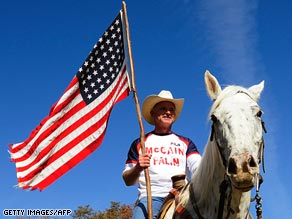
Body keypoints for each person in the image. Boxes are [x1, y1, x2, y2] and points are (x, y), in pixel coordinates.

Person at [122, 90, 202, 219]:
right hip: (152, 197)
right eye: (163, 108)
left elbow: (198, 167)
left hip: (183, 195)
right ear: (153, 113)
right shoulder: (140, 143)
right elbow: (127, 180)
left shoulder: (186, 143)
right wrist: (138, 168)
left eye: (171, 109)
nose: (168, 112)